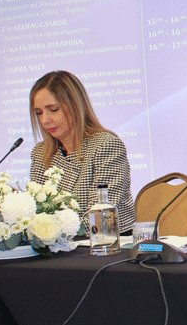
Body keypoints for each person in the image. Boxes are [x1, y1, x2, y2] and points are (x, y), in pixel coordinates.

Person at [28, 71, 135, 235]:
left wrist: (50, 233)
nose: (45, 120)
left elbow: (100, 216)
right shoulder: (41, 152)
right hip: (58, 244)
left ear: (75, 107)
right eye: (39, 113)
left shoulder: (105, 146)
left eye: (53, 109)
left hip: (108, 242)